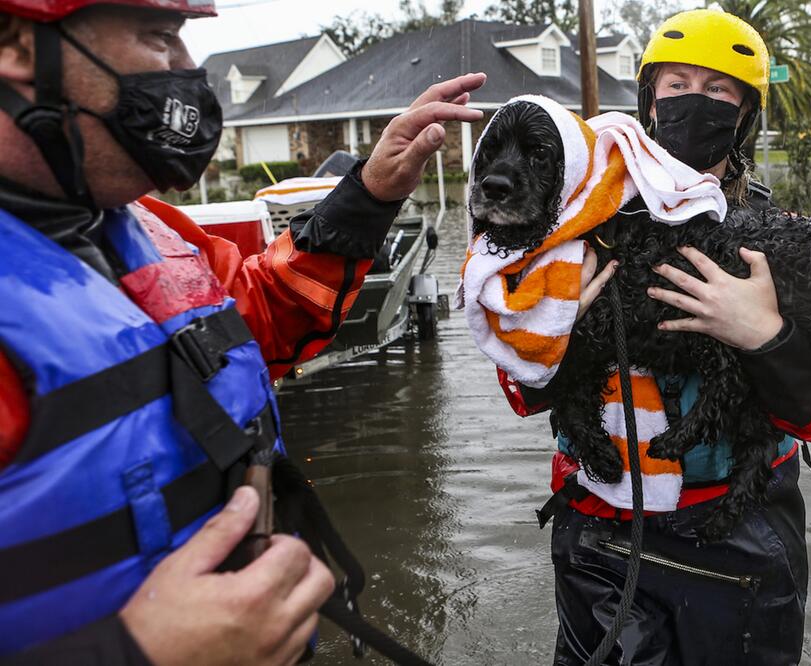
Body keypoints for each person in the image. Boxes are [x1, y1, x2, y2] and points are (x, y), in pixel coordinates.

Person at [0, 1, 486, 663]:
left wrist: (370, 192)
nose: (187, 69)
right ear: (17, 46)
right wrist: (136, 653)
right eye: (160, 37)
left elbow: (255, 318)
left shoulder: (145, 227)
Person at [498, 9, 811, 665]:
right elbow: (521, 392)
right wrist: (551, 337)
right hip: (599, 533)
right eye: (675, 85)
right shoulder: (580, 225)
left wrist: (765, 335)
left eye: (718, 90)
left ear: (745, 114)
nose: (693, 101)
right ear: (647, 101)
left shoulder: (785, 245)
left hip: (739, 536)